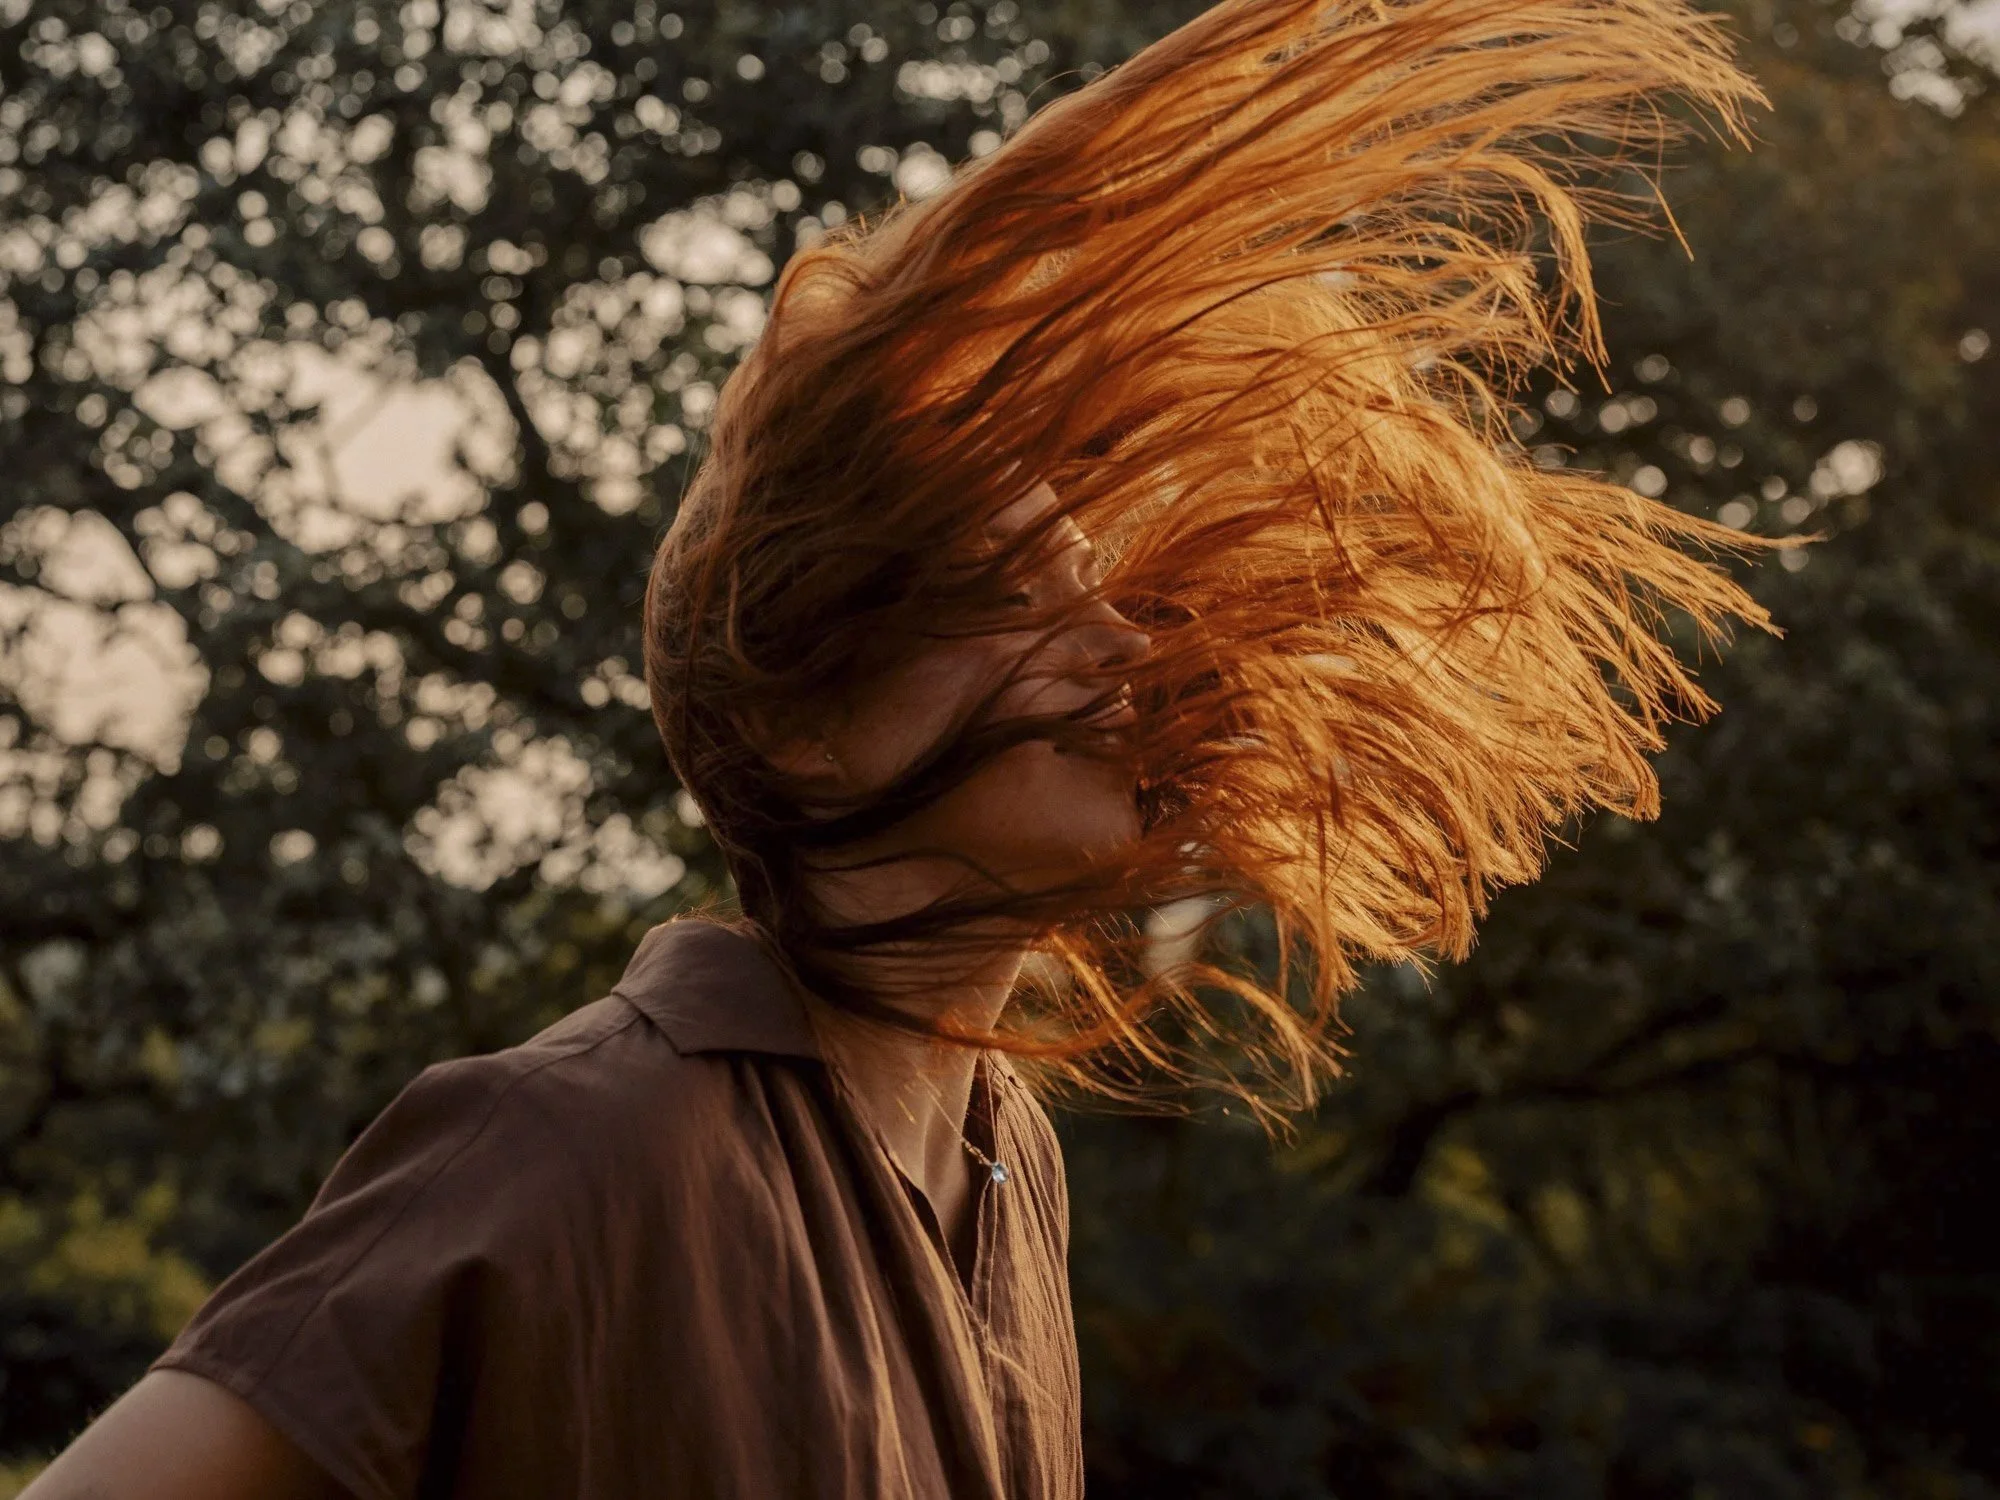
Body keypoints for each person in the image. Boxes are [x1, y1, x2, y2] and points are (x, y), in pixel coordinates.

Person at [23, 0, 1773, 1494]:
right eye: (1015, 595)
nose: (1117, 643)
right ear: (803, 715)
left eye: (1094, 584)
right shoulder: (578, 1144)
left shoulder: (1012, 1161)